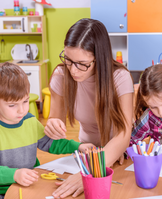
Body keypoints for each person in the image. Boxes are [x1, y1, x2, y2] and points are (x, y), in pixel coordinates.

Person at [44, 18, 134, 198]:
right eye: (68, 60)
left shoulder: (120, 78)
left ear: (99, 58)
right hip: (85, 153)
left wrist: (90, 173)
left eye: (82, 64)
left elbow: (124, 134)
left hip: (116, 154)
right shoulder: (61, 76)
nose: (73, 70)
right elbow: (56, 121)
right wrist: (52, 126)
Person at [0, 62, 94, 199]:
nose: (22, 110)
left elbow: (51, 143)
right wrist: (14, 175)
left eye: (25, 101)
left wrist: (78, 146)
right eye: (12, 105)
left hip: (29, 185)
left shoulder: (30, 121)